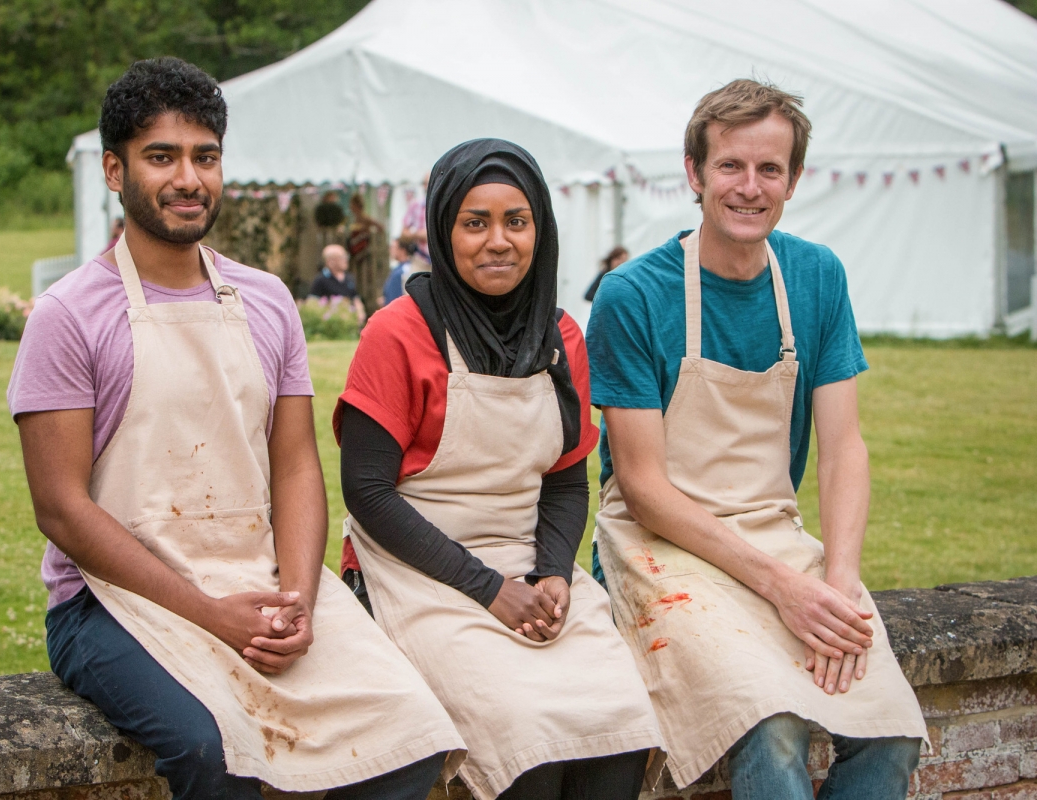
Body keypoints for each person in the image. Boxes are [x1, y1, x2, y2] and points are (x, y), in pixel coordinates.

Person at [8, 57, 464, 800]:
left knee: (410, 731)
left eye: (205, 157)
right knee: (211, 746)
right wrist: (211, 615)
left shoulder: (267, 300)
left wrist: (298, 600)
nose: (189, 178)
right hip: (109, 604)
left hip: (253, 576)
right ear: (115, 173)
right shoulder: (69, 316)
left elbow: (295, 467)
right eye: (162, 157)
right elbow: (61, 508)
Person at [587, 79, 927, 799]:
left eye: (769, 169)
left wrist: (837, 583)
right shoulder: (633, 295)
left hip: (773, 529)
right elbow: (644, 488)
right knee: (772, 725)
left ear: (794, 179)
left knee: (891, 730)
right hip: (661, 549)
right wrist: (782, 589)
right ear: (694, 174)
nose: (749, 187)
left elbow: (844, 450)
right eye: (730, 166)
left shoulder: (817, 277)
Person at [336, 139, 663, 800]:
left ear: (540, 230)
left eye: (517, 221)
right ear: (443, 231)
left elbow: (568, 478)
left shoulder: (561, 337)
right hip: (418, 572)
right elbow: (367, 492)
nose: (499, 241)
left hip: (527, 562)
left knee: (620, 725)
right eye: (475, 222)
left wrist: (551, 572)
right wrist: (489, 589)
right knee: (526, 743)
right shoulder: (396, 334)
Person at [400, 171, 430, 262]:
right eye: (425, 183)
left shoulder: (445, 205)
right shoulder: (415, 205)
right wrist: (418, 234)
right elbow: (403, 233)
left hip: (441, 261)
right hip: (421, 258)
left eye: (429, 183)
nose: (427, 186)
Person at [380, 236, 417, 306]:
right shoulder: (397, 269)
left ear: (402, 250)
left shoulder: (405, 271)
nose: (390, 250)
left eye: (393, 247)